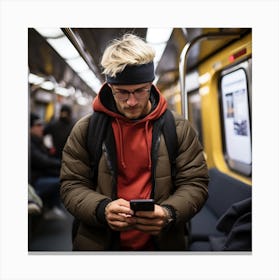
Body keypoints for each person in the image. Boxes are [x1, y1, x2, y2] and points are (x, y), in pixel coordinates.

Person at [60, 34, 209, 251]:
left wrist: (168, 213)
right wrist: (102, 209)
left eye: (140, 90)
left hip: (162, 245)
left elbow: (195, 183)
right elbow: (71, 185)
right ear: (110, 87)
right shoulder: (86, 130)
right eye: (122, 92)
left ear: (151, 84)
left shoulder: (178, 128)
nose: (131, 101)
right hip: (100, 243)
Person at [29, 113, 66, 219]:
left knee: (62, 176)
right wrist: (60, 163)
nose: (42, 128)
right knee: (61, 181)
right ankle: (52, 207)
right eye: (38, 125)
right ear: (30, 128)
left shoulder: (38, 141)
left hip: (41, 174)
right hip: (35, 180)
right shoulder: (30, 144)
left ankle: (54, 206)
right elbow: (41, 160)